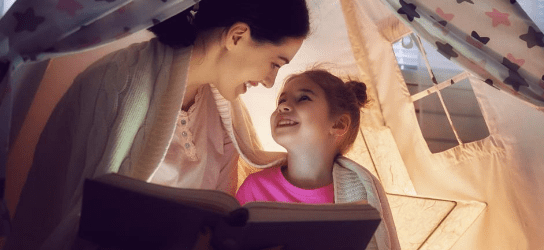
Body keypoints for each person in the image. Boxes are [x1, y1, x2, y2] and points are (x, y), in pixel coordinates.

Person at [7, 0, 309, 249]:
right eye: (275, 64)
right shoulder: (115, 84)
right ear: (237, 36)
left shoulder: (226, 119)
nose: (270, 83)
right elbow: (73, 218)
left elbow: (219, 218)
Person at [235, 69, 400, 250]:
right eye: (282, 100)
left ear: (338, 124)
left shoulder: (360, 200)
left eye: (303, 98)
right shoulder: (254, 188)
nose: (283, 106)